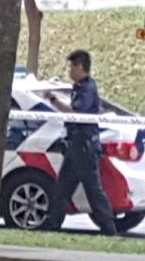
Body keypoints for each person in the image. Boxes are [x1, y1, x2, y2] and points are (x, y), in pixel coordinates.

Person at [44, 49, 117, 236]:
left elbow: (76, 114)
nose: (69, 71)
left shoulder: (87, 89)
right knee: (62, 187)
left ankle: (109, 228)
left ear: (80, 67)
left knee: (93, 189)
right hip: (75, 145)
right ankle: (53, 223)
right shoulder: (79, 87)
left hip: (84, 146)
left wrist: (53, 100)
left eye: (72, 66)